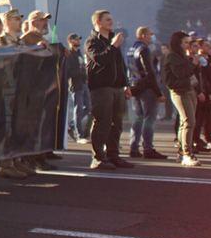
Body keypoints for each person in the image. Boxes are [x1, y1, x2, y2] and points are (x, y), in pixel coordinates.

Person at [85, 10, 132, 170]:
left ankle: (113, 155)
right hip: (101, 88)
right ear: (98, 22)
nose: (111, 22)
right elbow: (100, 60)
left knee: (117, 123)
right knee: (102, 122)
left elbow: (120, 65)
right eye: (107, 20)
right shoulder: (92, 42)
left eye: (111, 19)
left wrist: (125, 84)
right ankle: (98, 157)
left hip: (117, 87)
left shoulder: (113, 41)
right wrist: (112, 46)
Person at [162, 32, 201, 166]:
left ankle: (181, 152)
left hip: (189, 90)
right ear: (178, 43)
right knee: (189, 122)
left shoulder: (182, 55)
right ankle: (187, 154)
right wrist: (193, 64)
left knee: (185, 123)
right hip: (180, 91)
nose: (188, 45)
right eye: (185, 42)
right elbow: (181, 74)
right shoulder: (172, 56)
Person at [128, 27, 167, 159]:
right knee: (149, 119)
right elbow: (150, 73)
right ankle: (148, 148)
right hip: (147, 88)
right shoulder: (144, 49)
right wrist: (158, 92)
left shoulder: (131, 49)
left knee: (138, 118)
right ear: (143, 35)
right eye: (150, 35)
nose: (151, 37)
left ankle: (133, 147)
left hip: (135, 87)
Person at [65, 33, 90, 144]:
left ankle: (71, 125)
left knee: (89, 108)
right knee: (78, 109)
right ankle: (79, 135)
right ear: (70, 41)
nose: (78, 41)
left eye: (79, 39)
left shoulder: (79, 53)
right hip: (75, 85)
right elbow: (67, 72)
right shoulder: (69, 54)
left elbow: (83, 67)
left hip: (83, 84)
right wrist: (78, 73)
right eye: (76, 39)